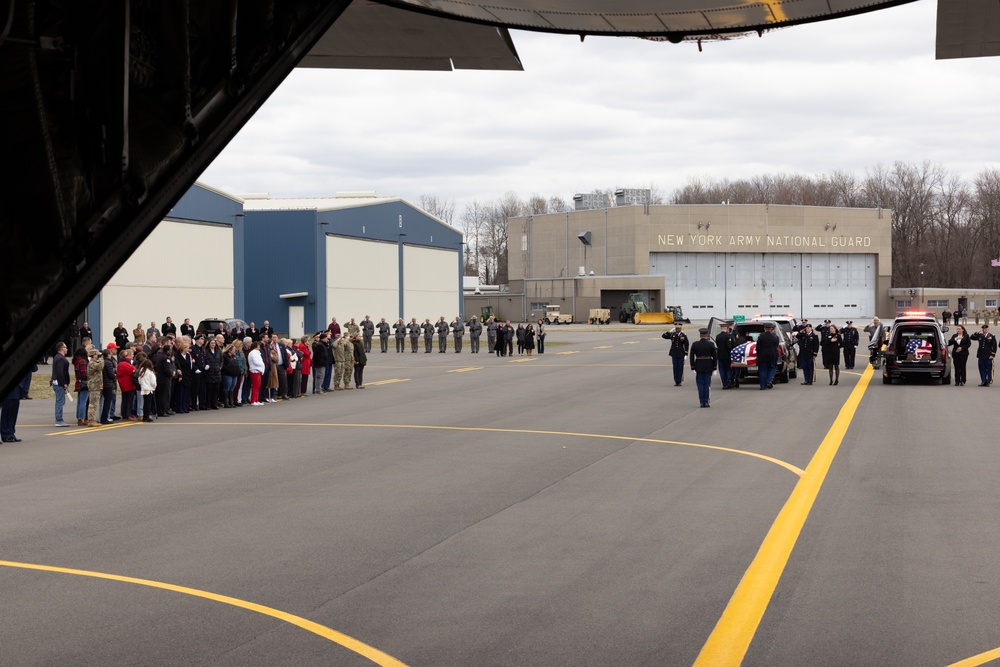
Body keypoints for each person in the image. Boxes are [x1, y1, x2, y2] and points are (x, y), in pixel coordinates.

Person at [1, 366, 35, 442]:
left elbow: (34, 369)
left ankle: (11, 433)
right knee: (7, 412)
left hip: (18, 388)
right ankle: (5, 434)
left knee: (14, 412)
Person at [689, 328, 718, 408]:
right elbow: (715, 356)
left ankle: (702, 402)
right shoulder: (711, 344)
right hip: (708, 365)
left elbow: (691, 356)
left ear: (700, 335)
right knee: (707, 384)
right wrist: (715, 367)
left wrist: (693, 367)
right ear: (707, 335)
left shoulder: (695, 344)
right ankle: (706, 401)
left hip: (699, 365)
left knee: (700, 384)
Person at [51, 342, 71, 426]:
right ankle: (59, 420)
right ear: (62, 348)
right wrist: (64, 383)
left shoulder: (57, 357)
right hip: (59, 383)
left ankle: (59, 419)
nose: (67, 349)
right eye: (65, 347)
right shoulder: (60, 358)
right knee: (60, 401)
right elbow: (60, 372)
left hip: (57, 382)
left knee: (60, 401)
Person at [756, 323, 781, 389]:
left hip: (762, 356)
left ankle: (762, 386)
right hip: (772, 356)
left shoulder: (761, 336)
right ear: (771, 329)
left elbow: (758, 347)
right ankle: (768, 381)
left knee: (762, 370)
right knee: (771, 369)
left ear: (764, 329)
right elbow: (776, 347)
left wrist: (758, 355)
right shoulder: (775, 337)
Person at [715, 322, 738, 389]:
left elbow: (717, 345)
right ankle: (729, 381)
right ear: (727, 329)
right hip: (727, 356)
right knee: (728, 369)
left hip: (720, 356)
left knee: (722, 370)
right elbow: (730, 347)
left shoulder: (717, 336)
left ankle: (724, 384)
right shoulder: (729, 336)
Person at [86, 347, 104, 426]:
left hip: (97, 385)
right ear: (93, 355)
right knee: (93, 404)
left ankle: (93, 419)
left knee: (95, 404)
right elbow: (100, 367)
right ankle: (91, 420)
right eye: (97, 355)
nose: (98, 356)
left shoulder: (94, 362)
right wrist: (101, 359)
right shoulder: (92, 363)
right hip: (94, 386)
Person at [117, 349, 136, 420]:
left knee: (128, 400)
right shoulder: (124, 364)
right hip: (127, 384)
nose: (133, 356)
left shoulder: (125, 363)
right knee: (127, 401)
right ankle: (126, 415)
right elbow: (132, 370)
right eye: (131, 354)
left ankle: (127, 414)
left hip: (128, 384)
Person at [72, 347, 90, 425]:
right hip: (84, 383)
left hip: (79, 382)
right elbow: (84, 374)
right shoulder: (83, 361)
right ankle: (82, 418)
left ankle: (79, 417)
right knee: (83, 402)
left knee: (80, 401)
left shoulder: (77, 361)